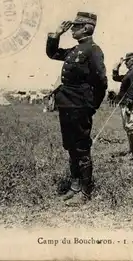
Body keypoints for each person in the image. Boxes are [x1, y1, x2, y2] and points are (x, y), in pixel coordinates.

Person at [46, 11, 108, 205]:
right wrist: (56, 34)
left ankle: (85, 192)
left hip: (81, 106)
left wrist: (91, 106)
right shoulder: (75, 50)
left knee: (81, 148)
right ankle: (75, 187)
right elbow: (53, 53)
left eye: (76, 26)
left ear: (87, 28)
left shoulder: (93, 50)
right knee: (71, 146)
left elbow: (101, 82)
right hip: (67, 104)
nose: (72, 29)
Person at [112, 52, 133, 160]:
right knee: (128, 128)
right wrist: (117, 66)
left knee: (130, 128)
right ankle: (131, 151)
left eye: (127, 61)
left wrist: (129, 104)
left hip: (129, 104)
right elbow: (115, 78)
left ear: (132, 61)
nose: (125, 63)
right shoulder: (130, 72)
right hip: (125, 103)